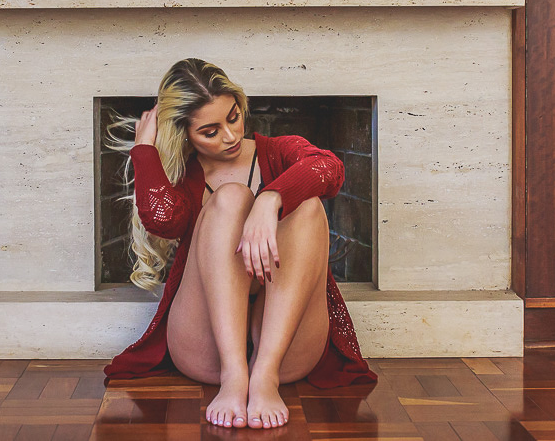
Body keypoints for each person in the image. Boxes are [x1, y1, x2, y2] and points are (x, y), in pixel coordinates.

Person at [103, 58, 376, 429]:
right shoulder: (189, 178)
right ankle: (235, 376)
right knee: (230, 197)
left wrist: (270, 198)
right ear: (185, 134)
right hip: (207, 347)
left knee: (308, 205)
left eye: (233, 117)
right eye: (210, 132)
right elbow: (162, 220)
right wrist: (145, 150)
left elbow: (329, 168)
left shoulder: (278, 151)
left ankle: (263, 377)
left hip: (284, 348)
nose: (230, 136)